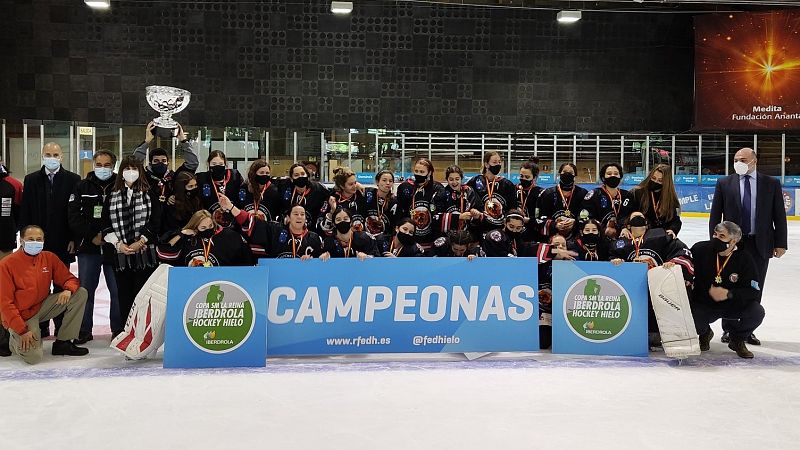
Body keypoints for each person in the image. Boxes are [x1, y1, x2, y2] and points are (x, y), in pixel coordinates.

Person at [709, 147, 787, 346]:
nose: (738, 163)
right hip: (732, 245)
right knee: (730, 283)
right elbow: (715, 215)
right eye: (735, 159)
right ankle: (728, 328)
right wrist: (715, 241)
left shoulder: (771, 184)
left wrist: (780, 243)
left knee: (755, 286)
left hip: (760, 244)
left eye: (743, 159)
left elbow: (779, 215)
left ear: (754, 161)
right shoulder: (724, 183)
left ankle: (746, 329)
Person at [0, 225, 89, 364]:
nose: (35, 242)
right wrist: (21, 331)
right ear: (21, 240)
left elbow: (70, 279)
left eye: (38, 239)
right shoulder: (6, 264)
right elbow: (5, 303)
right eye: (30, 239)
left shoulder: (49, 258)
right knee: (33, 357)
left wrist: (68, 289)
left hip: (42, 306)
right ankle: (13, 339)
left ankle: (63, 343)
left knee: (80, 294)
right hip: (21, 315)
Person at [19, 142, 81, 338]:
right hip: (36, 244)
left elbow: (74, 212)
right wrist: (25, 239)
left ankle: (62, 326)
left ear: (61, 157)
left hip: (63, 241)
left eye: (55, 154)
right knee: (39, 286)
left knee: (62, 285)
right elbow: (25, 211)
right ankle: (42, 325)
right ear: (42, 156)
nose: (52, 157)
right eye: (48, 154)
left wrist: (73, 237)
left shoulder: (73, 179)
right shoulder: (31, 180)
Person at [609, 212, 694, 347]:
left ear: (647, 223)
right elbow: (609, 262)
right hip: (633, 290)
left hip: (656, 288)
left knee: (654, 336)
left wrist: (673, 262)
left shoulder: (660, 236)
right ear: (628, 225)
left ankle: (657, 330)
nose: (638, 219)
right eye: (634, 217)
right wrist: (615, 262)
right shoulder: (620, 243)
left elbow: (683, 251)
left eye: (641, 217)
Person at [67, 150, 122, 343]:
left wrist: (110, 236)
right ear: (93, 164)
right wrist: (91, 236)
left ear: (113, 166)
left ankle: (118, 329)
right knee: (85, 291)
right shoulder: (81, 186)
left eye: (107, 165)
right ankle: (83, 330)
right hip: (88, 248)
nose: (103, 168)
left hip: (113, 248)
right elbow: (74, 216)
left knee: (116, 290)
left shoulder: (120, 185)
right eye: (99, 164)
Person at [691, 221, 765, 359]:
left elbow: (754, 291)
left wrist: (729, 294)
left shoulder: (745, 258)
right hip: (704, 303)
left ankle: (737, 339)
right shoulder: (700, 249)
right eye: (715, 234)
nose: (716, 239)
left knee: (756, 312)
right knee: (689, 316)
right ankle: (705, 332)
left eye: (722, 236)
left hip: (732, 304)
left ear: (733, 241)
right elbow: (684, 261)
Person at [102, 156, 161, 327]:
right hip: (121, 255)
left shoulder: (149, 193)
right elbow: (105, 225)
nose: (131, 172)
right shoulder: (111, 195)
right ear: (121, 172)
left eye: (134, 168)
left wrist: (141, 241)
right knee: (123, 294)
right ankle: (124, 330)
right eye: (127, 168)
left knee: (143, 294)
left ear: (140, 171)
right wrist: (119, 244)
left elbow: (156, 221)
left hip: (144, 254)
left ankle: (142, 329)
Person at [133, 121, 199, 235]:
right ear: (150, 162)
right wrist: (147, 141)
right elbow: (133, 163)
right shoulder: (144, 176)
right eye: (156, 161)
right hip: (148, 223)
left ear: (168, 162)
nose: (160, 163)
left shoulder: (174, 177)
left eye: (163, 161)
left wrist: (183, 140)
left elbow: (192, 163)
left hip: (172, 225)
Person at [224, 194, 323, 259]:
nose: (299, 217)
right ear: (288, 217)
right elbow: (250, 221)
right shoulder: (275, 230)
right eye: (296, 214)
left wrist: (316, 260)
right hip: (276, 282)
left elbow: (320, 263)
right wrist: (231, 207)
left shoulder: (313, 238)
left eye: (302, 214)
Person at [158, 210, 253, 267]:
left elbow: (246, 259)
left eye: (210, 225)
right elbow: (165, 253)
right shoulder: (187, 238)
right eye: (203, 228)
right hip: (191, 282)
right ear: (195, 227)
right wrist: (181, 234)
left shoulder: (229, 236)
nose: (208, 229)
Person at [395, 158, 445, 249]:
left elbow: (439, 214)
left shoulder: (438, 188)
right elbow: (400, 212)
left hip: (431, 239)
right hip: (410, 240)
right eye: (416, 171)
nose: (418, 174)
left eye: (422, 172)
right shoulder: (405, 187)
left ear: (429, 173)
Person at [581, 163, 638, 240]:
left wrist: (624, 227)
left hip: (623, 234)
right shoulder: (594, 194)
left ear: (620, 177)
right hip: (599, 236)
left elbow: (632, 215)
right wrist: (601, 228)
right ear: (603, 177)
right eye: (609, 174)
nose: (613, 176)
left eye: (616, 174)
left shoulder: (627, 195)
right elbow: (584, 216)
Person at [466, 151, 518, 234]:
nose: (498, 165)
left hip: (500, 228)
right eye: (494, 162)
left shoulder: (507, 184)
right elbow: (467, 202)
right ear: (486, 164)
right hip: (480, 227)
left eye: (499, 162)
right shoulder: (475, 181)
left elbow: (512, 208)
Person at [537, 163, 588, 240]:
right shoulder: (547, 194)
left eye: (571, 173)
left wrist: (575, 222)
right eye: (564, 172)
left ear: (575, 176)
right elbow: (539, 218)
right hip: (552, 239)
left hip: (575, 238)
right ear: (559, 174)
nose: (567, 174)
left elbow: (586, 216)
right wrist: (554, 224)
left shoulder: (582, 193)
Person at [195, 150, 245, 229]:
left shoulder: (235, 176)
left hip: (234, 222)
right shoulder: (201, 178)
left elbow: (245, 189)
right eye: (214, 164)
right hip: (211, 224)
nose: (217, 166)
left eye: (221, 164)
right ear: (208, 164)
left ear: (225, 164)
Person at [631, 164, 681, 237]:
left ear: (666, 182)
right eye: (653, 178)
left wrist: (672, 229)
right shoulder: (637, 193)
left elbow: (675, 220)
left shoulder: (670, 199)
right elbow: (628, 215)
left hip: (662, 236)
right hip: (641, 235)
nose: (655, 181)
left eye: (660, 180)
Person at [277, 163, 331, 229]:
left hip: (311, 230)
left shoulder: (318, 189)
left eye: (303, 174)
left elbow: (331, 196)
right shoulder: (285, 187)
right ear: (291, 179)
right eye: (296, 175)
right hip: (290, 228)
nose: (300, 177)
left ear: (307, 176)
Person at [319, 167, 367, 236]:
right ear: (342, 186)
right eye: (351, 184)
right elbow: (323, 228)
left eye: (355, 182)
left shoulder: (361, 194)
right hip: (339, 238)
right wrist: (332, 212)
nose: (354, 186)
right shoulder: (332, 199)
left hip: (359, 238)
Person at [433, 165, 480, 236]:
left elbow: (479, 211)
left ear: (461, 179)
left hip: (468, 235)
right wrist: (459, 217)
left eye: (457, 179)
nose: (454, 182)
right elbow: (436, 217)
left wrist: (476, 214)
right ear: (447, 180)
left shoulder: (469, 191)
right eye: (451, 179)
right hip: (448, 235)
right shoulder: (442, 194)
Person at [364, 170, 397, 239]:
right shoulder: (368, 193)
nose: (387, 183)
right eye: (384, 180)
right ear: (377, 182)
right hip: (366, 238)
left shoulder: (394, 201)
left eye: (390, 181)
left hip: (384, 238)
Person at [516, 161, 543, 243]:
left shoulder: (541, 193)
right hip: (515, 230)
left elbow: (542, 218)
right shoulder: (513, 190)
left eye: (527, 177)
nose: (523, 179)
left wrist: (528, 220)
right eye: (521, 176)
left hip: (533, 232)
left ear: (534, 178)